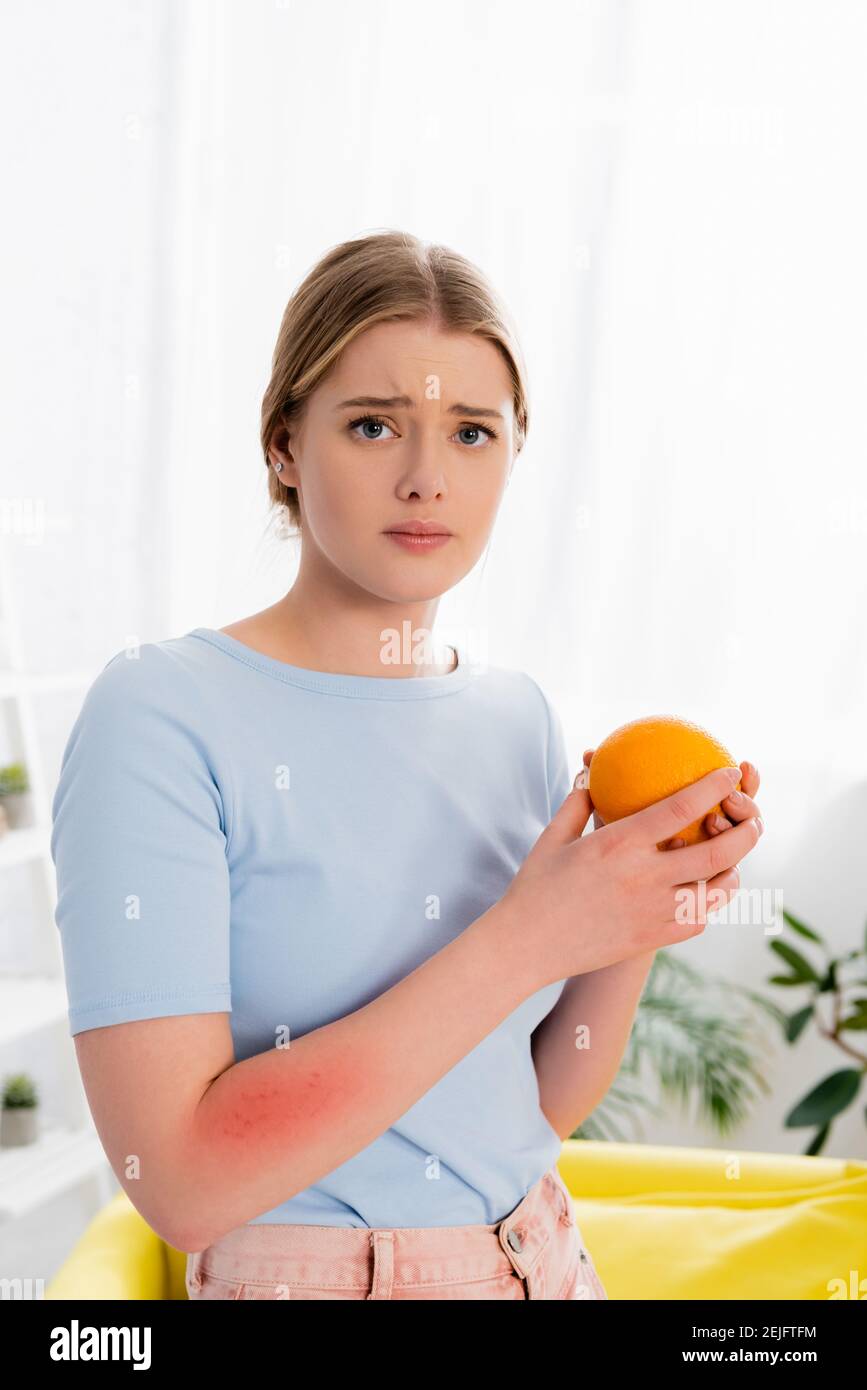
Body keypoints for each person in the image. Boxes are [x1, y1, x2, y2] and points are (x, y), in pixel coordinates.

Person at [51, 229, 762, 1300]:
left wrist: (634, 914)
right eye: (373, 425)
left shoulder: (517, 717)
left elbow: (532, 1107)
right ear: (284, 447)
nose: (427, 480)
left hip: (546, 1261)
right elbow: (183, 1182)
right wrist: (533, 935)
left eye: (472, 432)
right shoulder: (158, 712)